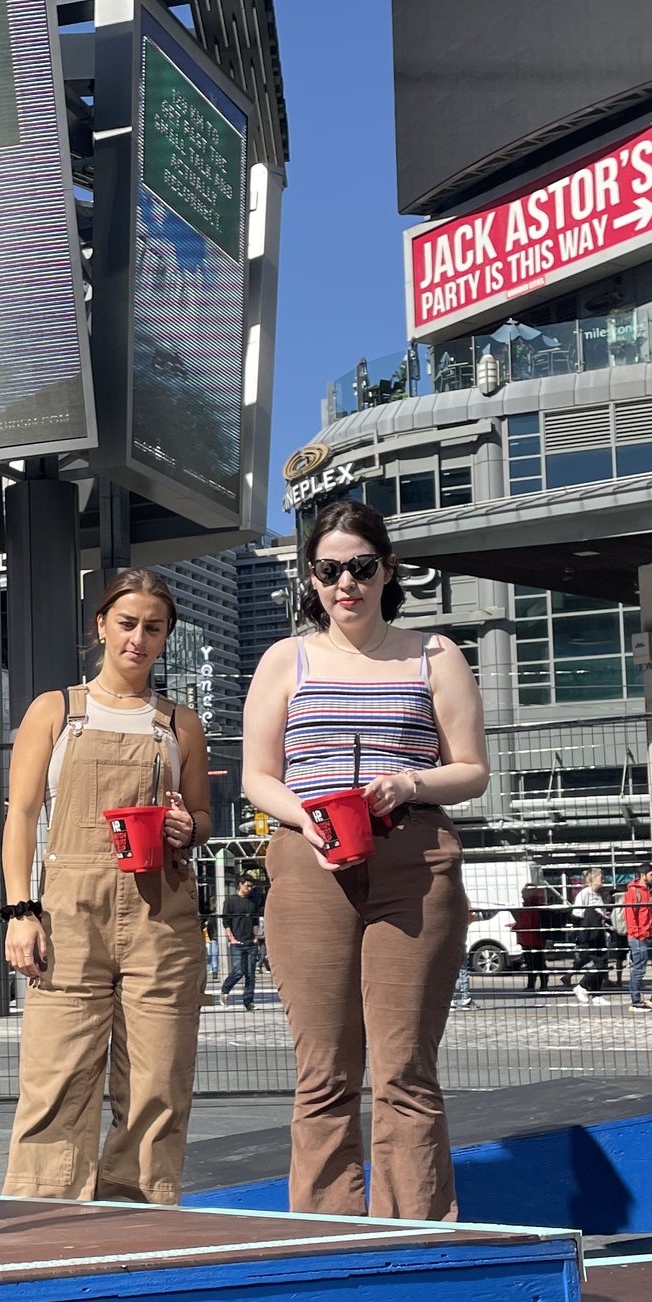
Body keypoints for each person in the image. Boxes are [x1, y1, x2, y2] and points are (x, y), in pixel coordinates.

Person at [240, 500, 489, 1218]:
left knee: (405, 1067)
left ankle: (417, 1238)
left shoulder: (433, 654)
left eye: (360, 566)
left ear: (388, 570)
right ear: (310, 579)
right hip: (310, 857)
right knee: (323, 1072)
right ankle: (326, 1241)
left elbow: (472, 768)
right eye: (328, 569)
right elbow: (259, 773)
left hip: (414, 856)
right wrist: (305, 816)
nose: (345, 582)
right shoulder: (285, 659)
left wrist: (410, 781)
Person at [0, 568, 213, 1205]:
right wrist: (20, 910)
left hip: (162, 914)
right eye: (127, 624)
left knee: (158, 1082)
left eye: (154, 628)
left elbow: (202, 817)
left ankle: (140, 1217)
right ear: (101, 626)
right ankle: (41, 1223)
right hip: (69, 912)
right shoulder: (56, 711)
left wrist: (186, 825)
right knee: (55, 1078)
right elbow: (21, 815)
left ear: (166, 636)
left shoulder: (179, 723)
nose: (138, 639)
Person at [623, 865, 652, 1010]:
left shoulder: (650, 892)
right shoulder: (633, 893)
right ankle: (635, 1001)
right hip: (639, 937)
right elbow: (630, 917)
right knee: (639, 969)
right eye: (651, 874)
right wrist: (639, 934)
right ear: (642, 875)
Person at [219, 878, 263, 1011]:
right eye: (247, 886)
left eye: (251, 887)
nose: (249, 889)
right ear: (240, 884)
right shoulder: (230, 901)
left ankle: (249, 1001)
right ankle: (225, 991)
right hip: (237, 941)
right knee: (239, 971)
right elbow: (226, 921)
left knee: (250, 973)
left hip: (250, 941)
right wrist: (231, 938)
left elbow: (255, 921)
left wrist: (256, 937)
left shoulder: (252, 902)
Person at [570, 869, 610, 1003]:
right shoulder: (585, 893)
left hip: (599, 931)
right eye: (600, 877)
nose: (603, 879)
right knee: (600, 962)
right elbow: (577, 912)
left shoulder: (598, 895)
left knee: (603, 961)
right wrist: (592, 914)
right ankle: (582, 986)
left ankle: (597, 994)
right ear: (592, 879)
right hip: (589, 932)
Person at [512, 883, 550, 994]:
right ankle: (542, 985)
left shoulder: (530, 907)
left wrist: (518, 928)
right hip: (535, 939)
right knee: (538, 963)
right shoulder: (536, 905)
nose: (522, 896)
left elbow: (527, 923)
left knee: (533, 964)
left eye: (523, 893)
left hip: (531, 939)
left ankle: (533, 985)